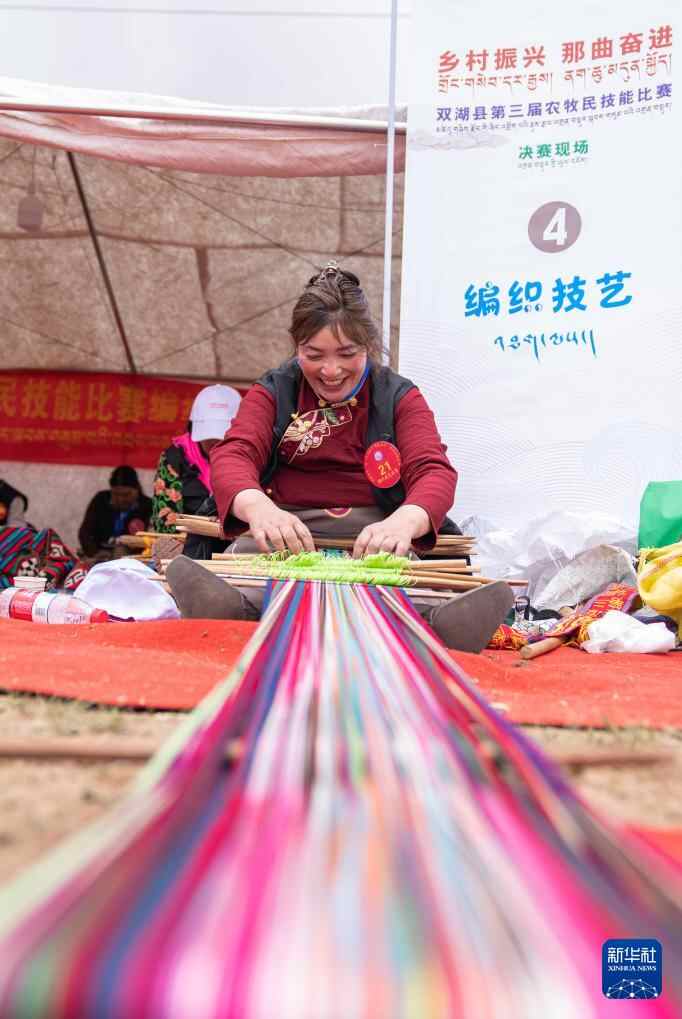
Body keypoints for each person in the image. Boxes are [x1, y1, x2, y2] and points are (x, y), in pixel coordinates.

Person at [167, 263, 513, 651]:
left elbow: (433, 470)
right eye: (313, 354)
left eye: (347, 353)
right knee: (248, 574)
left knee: (408, 584)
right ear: (296, 346)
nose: (330, 371)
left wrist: (404, 521)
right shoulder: (276, 390)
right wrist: (258, 508)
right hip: (286, 535)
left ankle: (436, 618)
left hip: (376, 538)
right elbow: (234, 454)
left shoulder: (397, 396)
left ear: (368, 344)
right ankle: (231, 606)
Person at [150, 384, 242, 533]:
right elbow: (164, 521)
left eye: (223, 437)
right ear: (193, 427)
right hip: (186, 543)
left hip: (238, 542)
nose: (216, 443)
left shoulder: (251, 459)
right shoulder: (174, 459)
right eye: (209, 437)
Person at [78, 465, 152, 557]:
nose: (121, 499)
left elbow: (148, 539)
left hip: (132, 557)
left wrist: (126, 552)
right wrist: (95, 552)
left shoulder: (148, 506)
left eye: (126, 494)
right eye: (116, 494)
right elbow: (85, 532)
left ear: (137, 490)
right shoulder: (101, 500)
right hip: (100, 554)